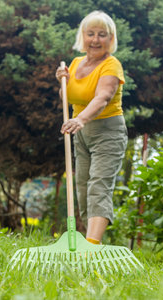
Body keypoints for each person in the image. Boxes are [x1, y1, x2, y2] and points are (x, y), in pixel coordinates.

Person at [56, 10, 127, 245]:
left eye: (102, 35)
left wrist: (81, 120)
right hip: (81, 132)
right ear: (83, 37)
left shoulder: (111, 66)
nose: (95, 40)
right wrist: (62, 83)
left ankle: (91, 247)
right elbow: (68, 99)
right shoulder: (75, 64)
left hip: (108, 131)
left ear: (111, 39)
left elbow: (102, 98)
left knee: (99, 185)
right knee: (83, 189)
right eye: (91, 34)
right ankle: (90, 242)